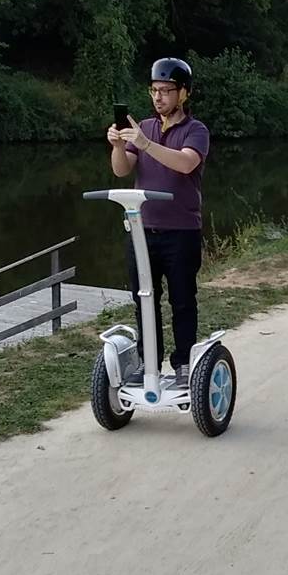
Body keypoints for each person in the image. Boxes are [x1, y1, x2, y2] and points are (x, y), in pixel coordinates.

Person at [107, 58, 211, 387]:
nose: (159, 97)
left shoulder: (196, 130)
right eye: (154, 90)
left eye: (166, 91)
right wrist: (118, 146)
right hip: (142, 230)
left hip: (181, 231)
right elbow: (121, 170)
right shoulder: (145, 129)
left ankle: (183, 364)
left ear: (184, 94)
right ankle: (149, 360)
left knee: (181, 299)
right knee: (144, 298)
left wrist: (146, 144)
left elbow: (184, 163)